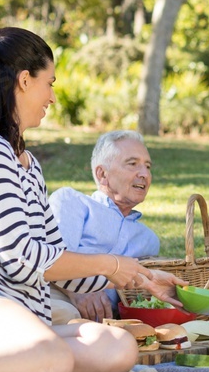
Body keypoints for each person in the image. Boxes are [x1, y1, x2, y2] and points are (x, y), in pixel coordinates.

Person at [0, 28, 185, 372]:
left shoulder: (29, 164)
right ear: (25, 81)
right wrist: (110, 264)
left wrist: (141, 277)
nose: (53, 96)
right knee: (52, 356)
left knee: (116, 347)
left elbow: (58, 261)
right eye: (50, 83)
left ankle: (8, 362)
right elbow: (22, 256)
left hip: (22, 312)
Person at [49, 130, 161, 323]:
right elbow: (50, 259)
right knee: (66, 315)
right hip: (58, 297)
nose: (144, 174)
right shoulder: (71, 201)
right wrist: (78, 290)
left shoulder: (148, 240)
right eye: (132, 164)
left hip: (107, 320)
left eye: (148, 166)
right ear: (102, 174)